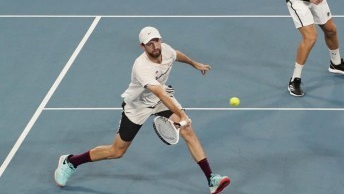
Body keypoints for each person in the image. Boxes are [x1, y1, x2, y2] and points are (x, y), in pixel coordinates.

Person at [54, 26, 230, 194]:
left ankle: (211, 180)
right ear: (142, 46)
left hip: (160, 99)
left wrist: (194, 63)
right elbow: (160, 93)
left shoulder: (166, 49)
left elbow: (176, 55)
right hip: (137, 106)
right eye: (149, 44)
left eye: (156, 41)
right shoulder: (142, 67)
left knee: (187, 130)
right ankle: (71, 161)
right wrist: (182, 114)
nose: (155, 46)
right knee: (117, 151)